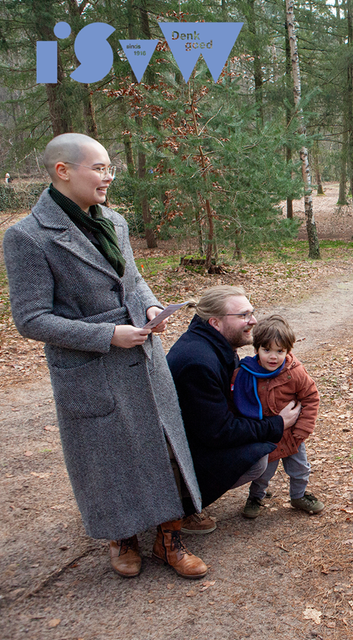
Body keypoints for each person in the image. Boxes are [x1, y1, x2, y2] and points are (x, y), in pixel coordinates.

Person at [3, 132, 207, 580]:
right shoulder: (26, 237)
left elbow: (132, 281)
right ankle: (123, 538)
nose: (109, 176)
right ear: (63, 171)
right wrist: (107, 335)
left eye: (109, 167)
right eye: (99, 168)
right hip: (91, 366)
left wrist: (151, 304)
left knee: (164, 444)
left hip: (143, 352)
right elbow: (32, 319)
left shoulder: (113, 221)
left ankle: (169, 536)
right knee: (109, 457)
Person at [166, 286, 301, 512]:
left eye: (252, 312)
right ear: (215, 323)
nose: (253, 321)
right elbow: (218, 431)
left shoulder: (215, 345)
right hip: (179, 454)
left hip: (198, 436)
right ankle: (182, 504)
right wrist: (276, 424)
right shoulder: (198, 363)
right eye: (243, 315)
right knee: (257, 458)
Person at [232, 314, 323, 519]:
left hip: (292, 434)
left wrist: (301, 430)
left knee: (300, 468)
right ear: (256, 350)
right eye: (267, 350)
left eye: (279, 351)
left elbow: (310, 397)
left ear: (288, 351)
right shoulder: (246, 373)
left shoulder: (295, 372)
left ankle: (298, 496)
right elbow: (236, 403)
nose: (273, 357)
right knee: (263, 472)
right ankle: (256, 497)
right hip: (266, 435)